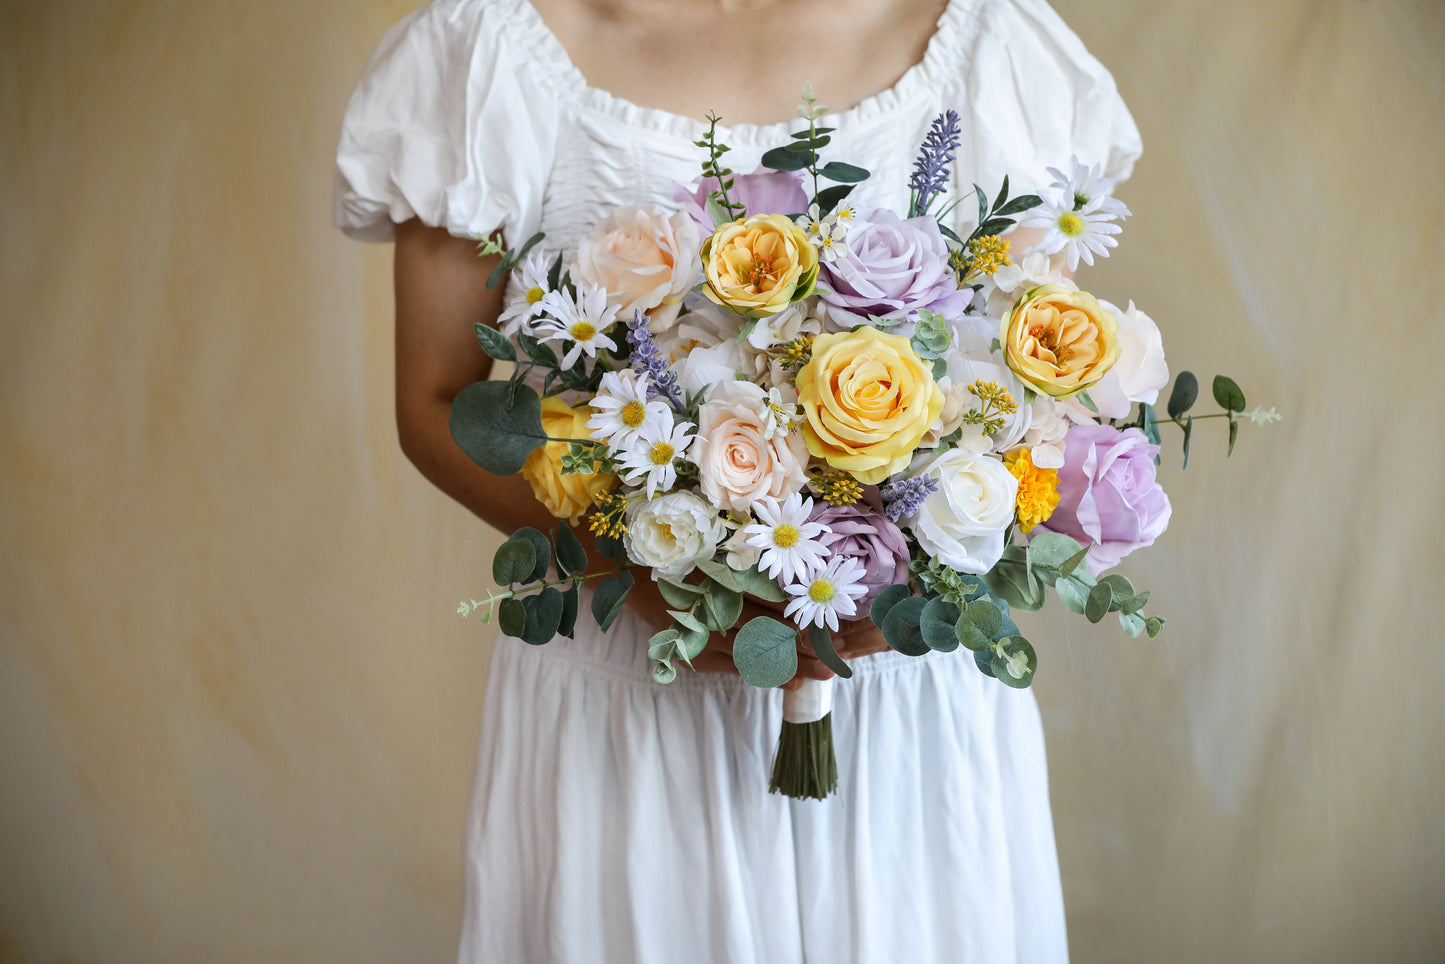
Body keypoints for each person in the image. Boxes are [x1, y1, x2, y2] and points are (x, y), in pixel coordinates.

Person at [333, 0, 1140, 959]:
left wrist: (914, 581)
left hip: (898, 700)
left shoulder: (992, 47)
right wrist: (629, 561)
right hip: (629, 701)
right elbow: (435, 403)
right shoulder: (492, 53)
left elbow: (1043, 396)